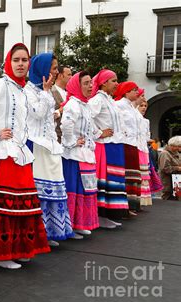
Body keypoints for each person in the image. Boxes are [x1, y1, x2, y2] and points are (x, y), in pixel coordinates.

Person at [0, 43, 50, 269]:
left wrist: (46, 92)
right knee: (3, 205)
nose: (21, 64)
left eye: (24, 60)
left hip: (20, 153)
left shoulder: (23, 90)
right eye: (16, 60)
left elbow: (37, 114)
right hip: (3, 153)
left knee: (22, 204)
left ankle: (18, 249)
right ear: (8, 62)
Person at [24, 53, 74, 246]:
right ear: (43, 70)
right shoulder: (28, 90)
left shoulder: (44, 90)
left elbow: (45, 116)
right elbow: (36, 114)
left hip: (49, 144)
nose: (56, 72)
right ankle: (37, 233)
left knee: (53, 190)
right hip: (36, 144)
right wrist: (45, 93)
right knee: (40, 191)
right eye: (53, 68)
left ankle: (50, 230)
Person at [60, 71, 99, 238]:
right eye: (86, 83)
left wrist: (97, 135)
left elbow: (91, 127)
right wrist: (72, 141)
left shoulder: (86, 105)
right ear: (77, 85)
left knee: (85, 189)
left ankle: (80, 223)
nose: (90, 86)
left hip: (86, 154)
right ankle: (71, 225)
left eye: (91, 83)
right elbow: (66, 125)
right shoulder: (73, 105)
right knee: (74, 189)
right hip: (74, 156)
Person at [88, 69, 128, 228]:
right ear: (104, 83)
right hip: (105, 146)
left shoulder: (110, 100)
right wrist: (98, 133)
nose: (117, 84)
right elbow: (86, 117)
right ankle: (100, 216)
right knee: (105, 181)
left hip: (115, 145)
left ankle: (108, 215)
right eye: (113, 81)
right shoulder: (98, 99)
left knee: (114, 181)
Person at [114, 81, 142, 215]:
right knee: (127, 175)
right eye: (134, 90)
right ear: (126, 92)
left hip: (133, 143)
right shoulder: (118, 104)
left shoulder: (131, 107)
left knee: (134, 175)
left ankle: (133, 204)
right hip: (125, 142)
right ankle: (125, 206)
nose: (137, 92)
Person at [135, 90, 153, 206]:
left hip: (144, 149)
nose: (143, 108)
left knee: (144, 176)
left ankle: (142, 201)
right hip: (137, 148)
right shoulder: (135, 118)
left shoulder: (146, 121)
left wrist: (149, 140)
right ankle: (136, 201)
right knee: (138, 175)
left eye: (145, 106)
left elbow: (147, 136)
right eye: (141, 105)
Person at [51, 65, 72, 143]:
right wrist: (60, 111)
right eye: (69, 75)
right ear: (60, 75)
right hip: (56, 139)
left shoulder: (70, 94)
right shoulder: (51, 91)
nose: (71, 77)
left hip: (68, 140)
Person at [158, 136, 181, 200]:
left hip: (176, 184)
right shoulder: (165, 154)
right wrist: (178, 168)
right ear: (173, 145)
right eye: (179, 146)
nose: (180, 148)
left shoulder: (176, 153)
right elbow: (165, 168)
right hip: (168, 184)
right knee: (168, 202)